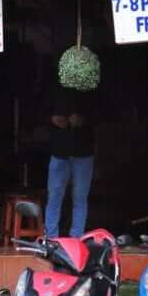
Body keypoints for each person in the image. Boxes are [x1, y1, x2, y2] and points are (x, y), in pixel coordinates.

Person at [45, 83, 95, 238]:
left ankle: (76, 239)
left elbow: (101, 113)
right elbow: (42, 111)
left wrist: (82, 120)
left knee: (79, 197)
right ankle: (51, 239)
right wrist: (54, 119)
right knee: (54, 196)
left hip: (83, 152)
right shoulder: (55, 87)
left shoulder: (90, 87)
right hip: (59, 151)